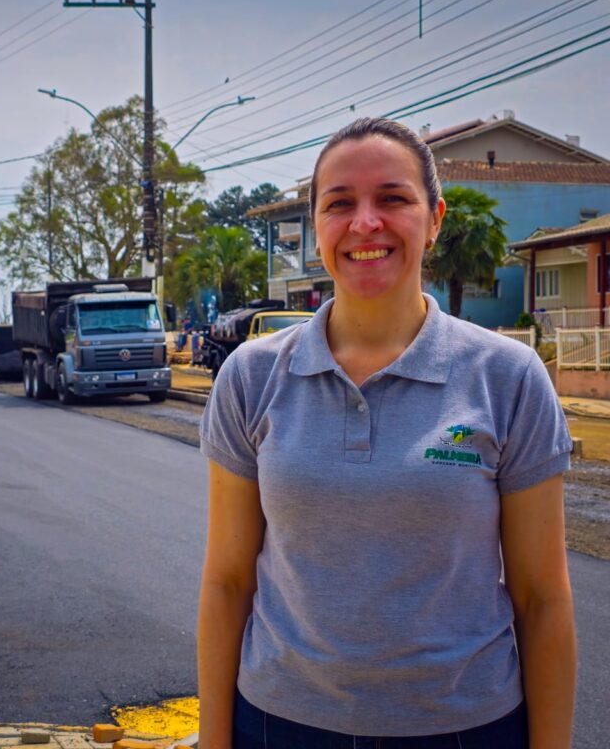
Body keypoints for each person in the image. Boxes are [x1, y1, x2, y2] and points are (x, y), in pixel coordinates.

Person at [198, 118, 575, 748]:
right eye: (339, 204)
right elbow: (227, 580)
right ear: (317, 226)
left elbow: (542, 597)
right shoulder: (252, 375)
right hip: (279, 723)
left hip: (467, 728)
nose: (365, 223)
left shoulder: (507, 377)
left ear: (434, 219)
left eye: (393, 199)